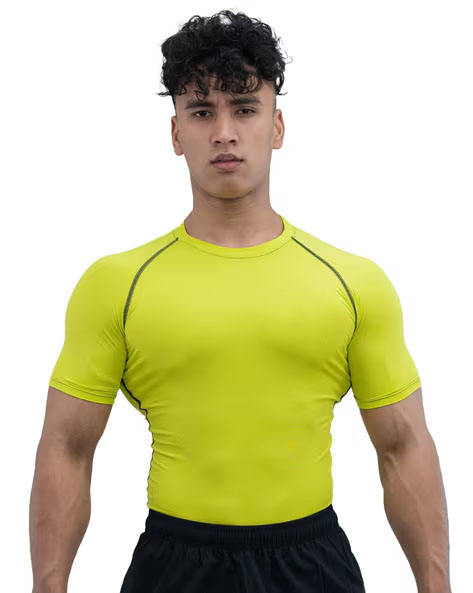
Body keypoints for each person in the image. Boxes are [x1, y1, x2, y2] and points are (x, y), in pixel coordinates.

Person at [29, 9, 451, 593]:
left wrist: (437, 586)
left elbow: (403, 447)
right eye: (202, 111)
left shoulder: (354, 284)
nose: (224, 132)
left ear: (277, 126)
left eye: (245, 109)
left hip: (311, 565)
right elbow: (67, 448)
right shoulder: (116, 285)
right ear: (176, 133)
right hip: (174, 567)